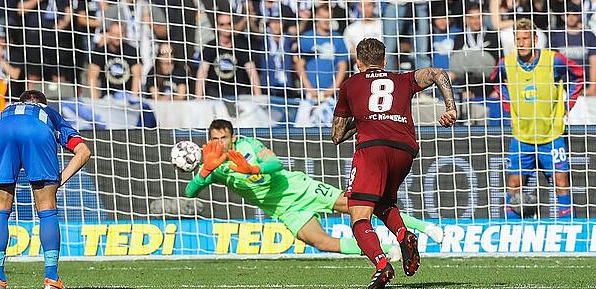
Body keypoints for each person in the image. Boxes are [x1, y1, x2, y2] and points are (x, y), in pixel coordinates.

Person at [185, 119, 443, 262]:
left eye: (223, 138)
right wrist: (205, 172)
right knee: (321, 242)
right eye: (214, 138)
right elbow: (189, 192)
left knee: (358, 206)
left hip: (300, 189)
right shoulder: (213, 165)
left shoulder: (248, 145)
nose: (219, 143)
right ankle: (387, 249)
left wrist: (252, 169)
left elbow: (275, 164)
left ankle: (424, 228)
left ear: (232, 137)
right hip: (283, 208)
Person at [331, 38, 457, 288]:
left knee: (358, 214)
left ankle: (381, 264)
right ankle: (403, 234)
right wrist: (451, 109)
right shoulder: (401, 79)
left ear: (358, 63)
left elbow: (337, 136)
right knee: (384, 202)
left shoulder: (350, 84)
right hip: (405, 150)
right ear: (385, 62)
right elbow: (437, 73)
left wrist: (364, 118)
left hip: (372, 149)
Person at [0, 89, 92, 289]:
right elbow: (84, 151)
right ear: (43, 103)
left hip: (1, 133)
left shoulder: (1, 115)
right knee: (46, 207)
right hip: (37, 130)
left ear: (19, 103)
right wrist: (60, 180)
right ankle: (51, 279)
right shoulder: (49, 113)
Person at [492, 19, 584, 219]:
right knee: (514, 184)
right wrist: (508, 105)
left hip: (551, 134)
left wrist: (568, 105)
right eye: (518, 39)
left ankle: (569, 228)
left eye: (526, 38)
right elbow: (495, 81)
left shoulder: (553, 60)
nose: (522, 43)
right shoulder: (506, 64)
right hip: (521, 135)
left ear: (534, 39)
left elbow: (579, 75)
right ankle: (513, 231)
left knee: (561, 181)